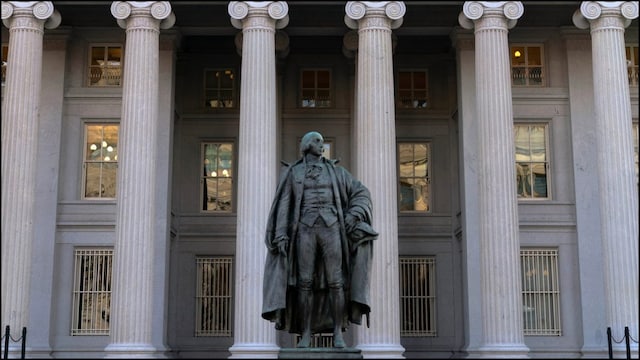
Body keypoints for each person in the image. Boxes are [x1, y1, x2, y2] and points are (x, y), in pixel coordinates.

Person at [262, 131, 378, 348]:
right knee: (304, 283)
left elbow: (361, 192)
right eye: (317, 141)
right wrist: (280, 233)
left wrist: (354, 214)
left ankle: (338, 334)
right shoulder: (293, 172)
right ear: (306, 145)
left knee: (336, 282)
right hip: (304, 229)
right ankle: (305, 334)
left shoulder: (336, 172)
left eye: (323, 141)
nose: (321, 144)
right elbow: (284, 204)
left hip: (332, 228)